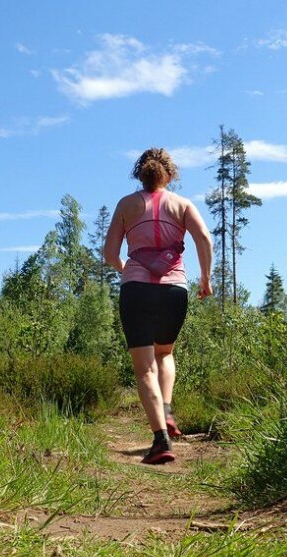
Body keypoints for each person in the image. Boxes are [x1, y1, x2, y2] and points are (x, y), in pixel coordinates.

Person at [103, 148, 214, 465]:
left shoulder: (126, 205)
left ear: (140, 173)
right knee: (165, 353)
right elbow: (204, 239)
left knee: (144, 367)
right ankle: (166, 412)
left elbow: (110, 253)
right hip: (174, 290)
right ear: (170, 173)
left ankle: (159, 440)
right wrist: (205, 278)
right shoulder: (182, 204)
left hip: (137, 290)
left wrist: (126, 268)